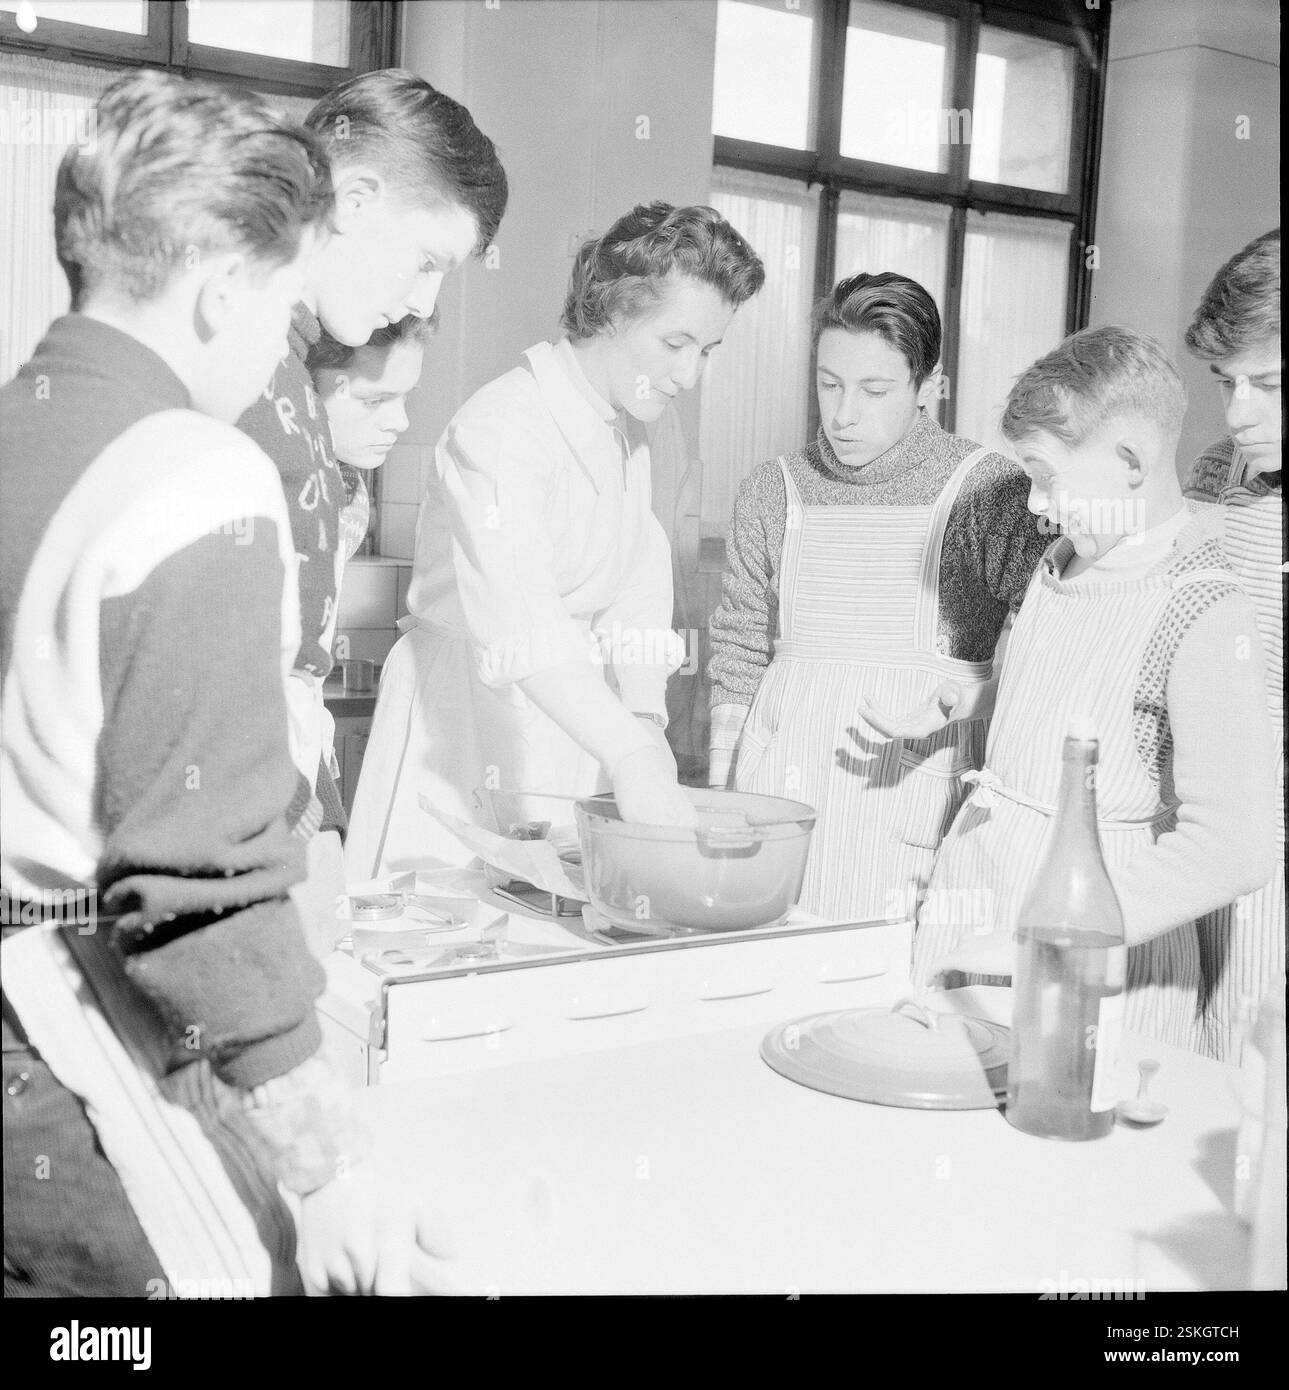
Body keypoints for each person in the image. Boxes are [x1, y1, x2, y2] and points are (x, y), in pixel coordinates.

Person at [1, 70, 451, 1297]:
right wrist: (332, 1167)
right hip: (68, 1054)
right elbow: (203, 893)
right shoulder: (194, 474)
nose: (289, 346)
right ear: (218, 296)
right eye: (285, 300)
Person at [347, 202, 765, 878]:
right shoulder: (504, 427)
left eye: (707, 351)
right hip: (460, 718)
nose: (689, 376)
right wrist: (625, 750)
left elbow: (637, 573)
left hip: (564, 720)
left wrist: (642, 718)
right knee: (438, 938)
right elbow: (524, 622)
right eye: (675, 343)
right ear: (613, 310)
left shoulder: (626, 426)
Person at [910, 326, 1278, 1054]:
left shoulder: (1203, 608)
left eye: (1046, 475)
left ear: (1130, 462)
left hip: (1093, 961)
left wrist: (1045, 933)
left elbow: (1235, 846)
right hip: (978, 907)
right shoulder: (1063, 560)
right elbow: (1086, 703)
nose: (1037, 505)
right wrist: (978, 701)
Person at [237, 69, 507, 945]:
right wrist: (295, 844)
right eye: (427, 261)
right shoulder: (231, 365)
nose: (424, 301)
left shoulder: (280, 369)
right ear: (353, 198)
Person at [708, 272, 1047, 922]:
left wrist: (972, 706)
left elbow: (1054, 653)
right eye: (828, 384)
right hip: (772, 796)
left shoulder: (990, 493)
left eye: (874, 390)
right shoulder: (770, 489)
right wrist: (722, 794)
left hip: (915, 805)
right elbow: (737, 647)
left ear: (927, 386)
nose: (842, 414)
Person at [1183, 229, 1284, 1062]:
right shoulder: (1221, 472)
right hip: (1219, 827)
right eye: (1227, 383)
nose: (1238, 411)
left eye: (1268, 382)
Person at [308, 312, 436, 570]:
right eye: (373, 400)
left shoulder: (349, 499)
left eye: (406, 396)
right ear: (304, 383)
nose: (402, 422)